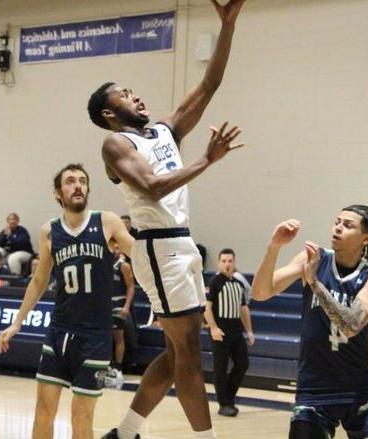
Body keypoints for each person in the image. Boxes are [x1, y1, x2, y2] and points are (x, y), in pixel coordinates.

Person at [89, 2, 246, 437]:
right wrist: (206, 160)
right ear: (109, 112)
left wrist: (227, 26)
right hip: (158, 248)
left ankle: (124, 433)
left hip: (182, 247)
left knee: (180, 355)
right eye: (124, 94)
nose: (135, 95)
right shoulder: (115, 144)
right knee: (189, 357)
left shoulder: (164, 130)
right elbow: (153, 187)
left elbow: (210, 83)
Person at [0, 164, 134, 439]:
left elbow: (140, 255)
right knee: (43, 411)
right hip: (59, 332)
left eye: (83, 181)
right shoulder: (50, 230)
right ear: (58, 193)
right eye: (70, 181)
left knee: (81, 416)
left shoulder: (106, 221)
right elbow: (39, 280)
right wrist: (17, 323)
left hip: (95, 337)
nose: (78, 186)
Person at [252, 206, 368, 439]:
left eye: (348, 225)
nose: (338, 227)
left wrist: (315, 284)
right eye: (337, 222)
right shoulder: (314, 258)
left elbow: (350, 325)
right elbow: (260, 292)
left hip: (358, 391)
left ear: (366, 239)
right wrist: (273, 248)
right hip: (314, 389)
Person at [203, 248, 254, 417]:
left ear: (234, 262)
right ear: (219, 263)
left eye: (230, 261)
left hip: (236, 331)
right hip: (221, 332)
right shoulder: (215, 282)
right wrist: (213, 328)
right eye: (224, 261)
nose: (227, 264)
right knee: (220, 367)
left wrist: (249, 331)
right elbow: (207, 308)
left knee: (242, 363)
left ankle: (229, 397)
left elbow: (243, 309)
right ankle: (223, 403)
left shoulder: (238, 284)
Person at [109, 245, 135, 385]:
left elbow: (131, 286)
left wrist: (126, 306)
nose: (114, 250)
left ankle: (118, 368)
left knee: (118, 336)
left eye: (117, 247)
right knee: (105, 337)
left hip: (119, 303)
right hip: (105, 304)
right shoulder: (104, 264)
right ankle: (108, 365)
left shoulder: (123, 266)